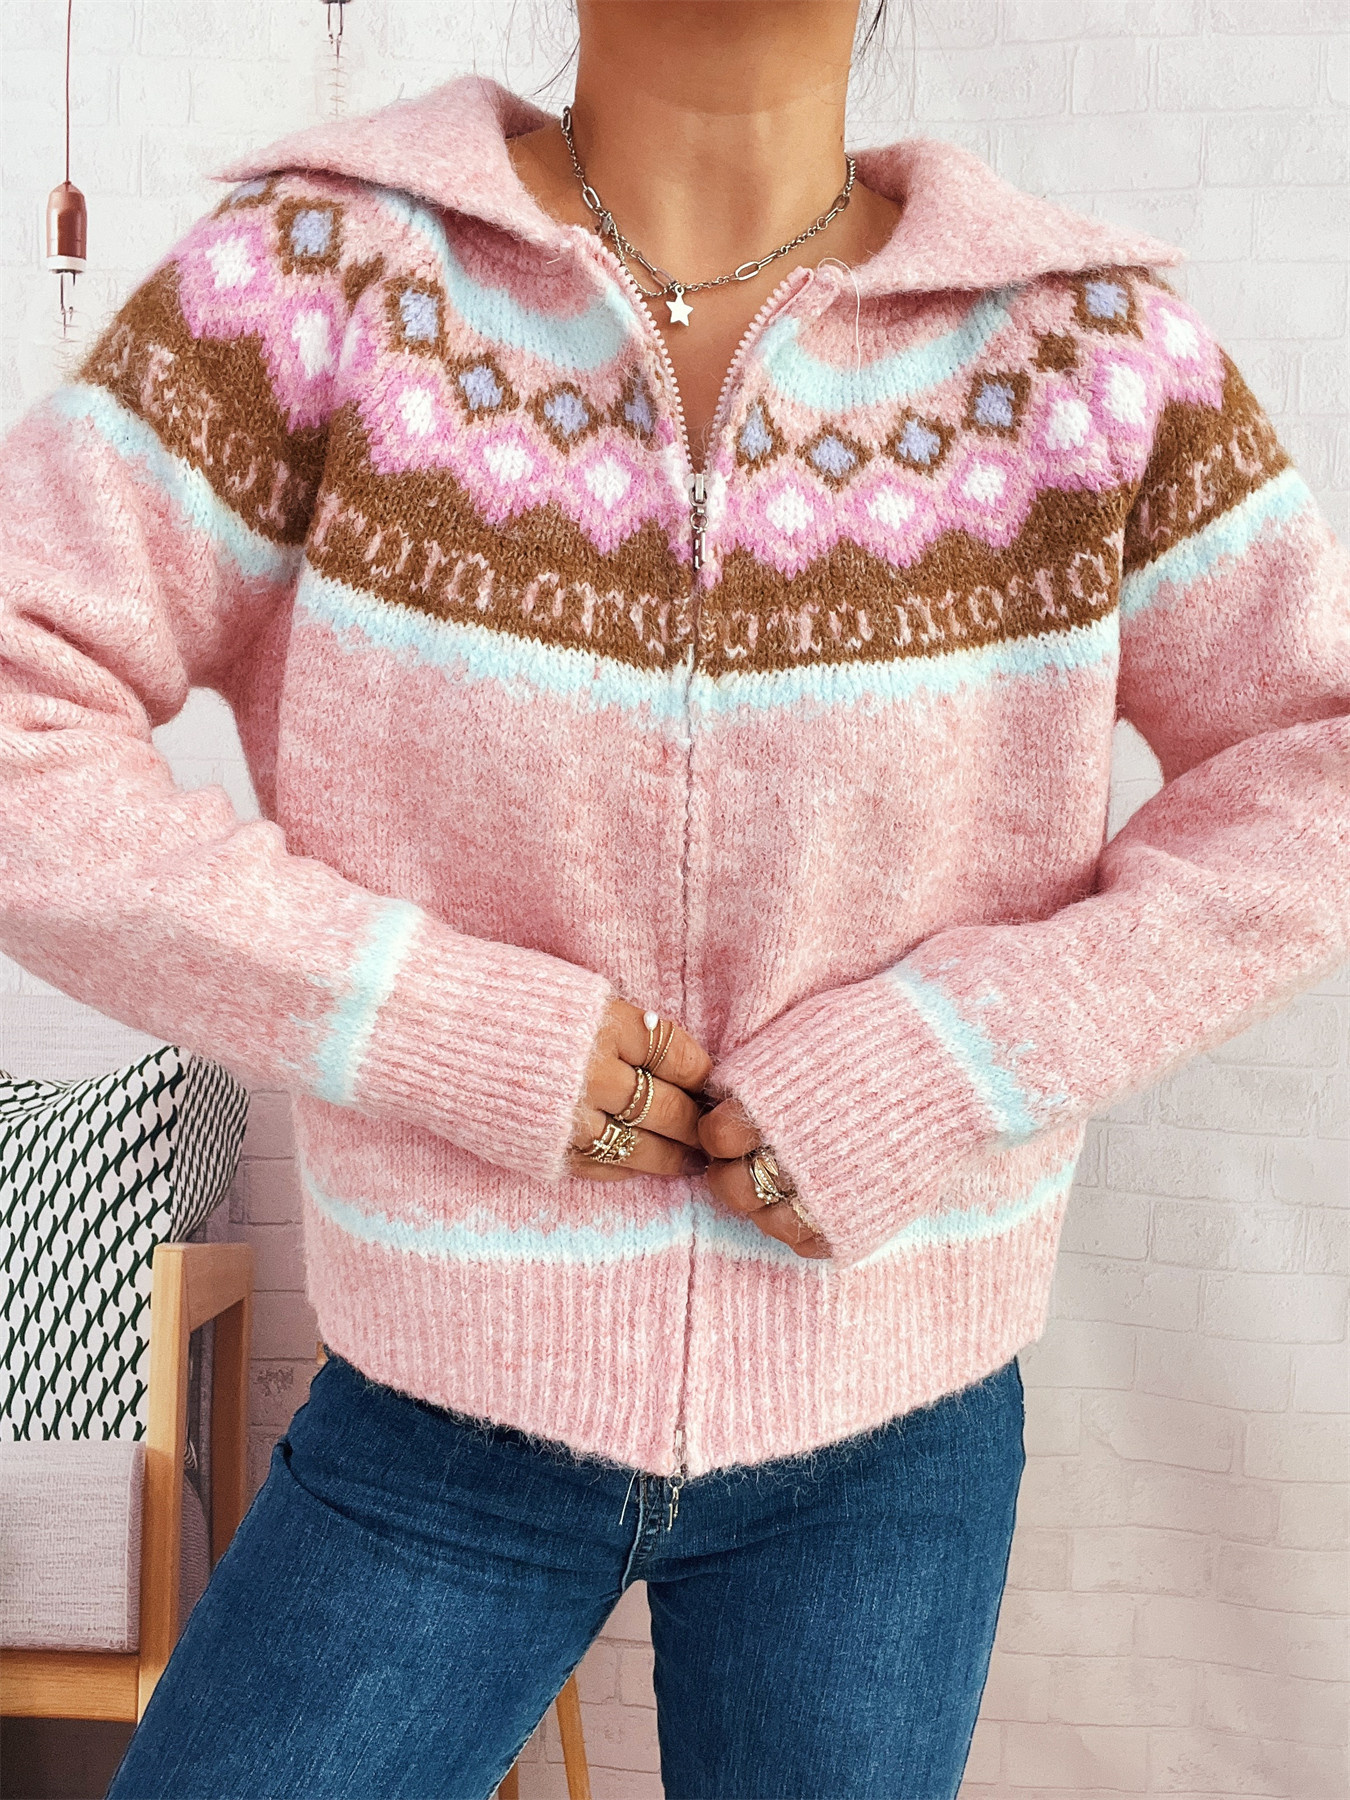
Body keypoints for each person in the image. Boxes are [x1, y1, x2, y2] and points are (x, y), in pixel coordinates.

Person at [0, 2, 1345, 1795]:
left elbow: (1312, 769)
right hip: (435, 1419)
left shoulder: (1087, 355)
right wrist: (425, 1019)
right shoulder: (320, 283)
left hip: (894, 1433)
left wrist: (948, 1057)